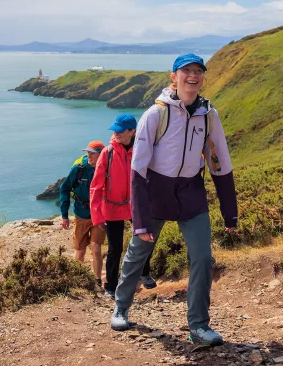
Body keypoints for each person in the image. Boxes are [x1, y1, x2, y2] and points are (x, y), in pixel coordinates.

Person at [110, 54, 238, 346]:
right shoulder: (156, 114)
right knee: (138, 252)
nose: (192, 76)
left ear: (202, 77)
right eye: (186, 71)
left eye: (198, 72)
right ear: (174, 77)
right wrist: (140, 219)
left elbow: (221, 162)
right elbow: (138, 169)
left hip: (191, 192)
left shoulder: (209, 115)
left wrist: (230, 212)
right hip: (157, 191)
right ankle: (121, 306)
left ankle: (199, 326)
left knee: (203, 258)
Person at [90, 114, 157, 299]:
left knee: (145, 240)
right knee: (115, 249)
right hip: (112, 209)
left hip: (135, 206)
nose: (116, 133)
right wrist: (97, 217)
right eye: (115, 130)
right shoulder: (108, 152)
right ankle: (110, 285)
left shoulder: (142, 149)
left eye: (120, 130)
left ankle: (144, 273)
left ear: (132, 131)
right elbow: (96, 186)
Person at [60, 140, 107, 288]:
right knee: (80, 251)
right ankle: (77, 279)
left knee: (96, 249)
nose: (89, 156)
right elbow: (64, 188)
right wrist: (64, 215)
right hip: (81, 215)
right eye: (88, 153)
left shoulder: (106, 168)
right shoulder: (78, 169)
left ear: (101, 154)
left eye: (92, 153)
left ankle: (97, 280)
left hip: (99, 216)